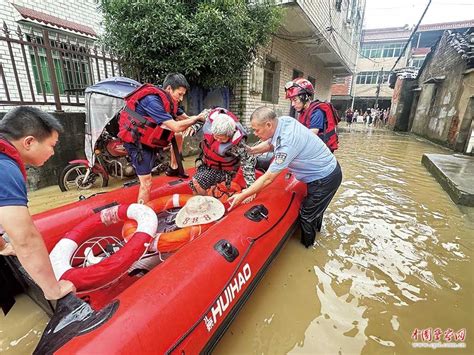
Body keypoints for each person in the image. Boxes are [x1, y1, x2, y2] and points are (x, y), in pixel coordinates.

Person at [228, 107, 342, 248]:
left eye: (257, 130)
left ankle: (308, 248)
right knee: (316, 212)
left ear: (268, 124)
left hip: (324, 178)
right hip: (325, 171)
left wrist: (243, 194)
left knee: (307, 215)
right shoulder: (284, 121)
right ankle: (317, 231)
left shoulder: (287, 143)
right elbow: (271, 144)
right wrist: (252, 150)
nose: (255, 134)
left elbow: (269, 178)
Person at [0, 106, 76, 300]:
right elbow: (25, 238)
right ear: (29, 142)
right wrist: (54, 289)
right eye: (52, 145)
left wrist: (2, 247)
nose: (53, 153)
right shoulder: (5, 169)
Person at [118, 73, 205, 203]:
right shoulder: (152, 101)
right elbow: (175, 126)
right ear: (169, 89)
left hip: (151, 139)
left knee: (178, 135)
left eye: (183, 95)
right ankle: (143, 216)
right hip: (137, 142)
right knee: (146, 182)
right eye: (179, 94)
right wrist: (196, 119)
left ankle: (174, 166)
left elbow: (186, 119)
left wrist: (200, 119)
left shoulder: (169, 100)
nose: (181, 99)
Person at [187, 108, 256, 196]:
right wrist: (195, 126)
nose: (218, 140)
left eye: (222, 139)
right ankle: (205, 199)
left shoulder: (238, 144)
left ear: (230, 134)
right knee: (193, 184)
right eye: (216, 137)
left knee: (197, 182)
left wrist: (251, 188)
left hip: (224, 171)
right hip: (208, 163)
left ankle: (206, 205)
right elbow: (204, 114)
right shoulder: (212, 118)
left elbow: (248, 162)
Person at [284, 78, 339, 152]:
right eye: (291, 100)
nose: (292, 104)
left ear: (305, 97)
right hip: (311, 149)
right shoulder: (304, 111)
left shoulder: (316, 112)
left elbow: (311, 134)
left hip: (320, 154)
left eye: (295, 100)